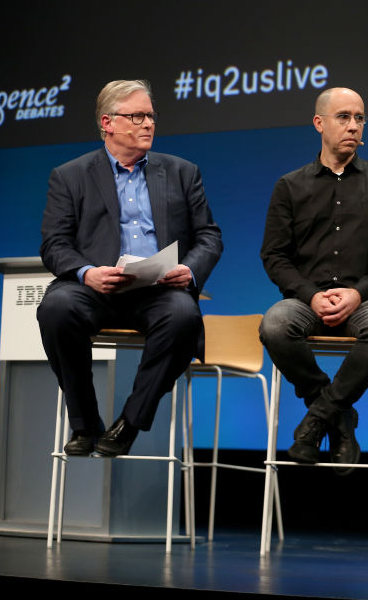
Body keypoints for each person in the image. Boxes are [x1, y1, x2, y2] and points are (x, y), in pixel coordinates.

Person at [37, 79, 223, 457]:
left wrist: (188, 270)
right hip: (96, 288)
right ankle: (85, 423)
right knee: (56, 308)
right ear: (107, 123)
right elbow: (54, 244)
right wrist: (87, 272)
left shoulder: (182, 172)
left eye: (151, 116)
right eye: (137, 116)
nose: (148, 124)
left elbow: (209, 237)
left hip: (158, 290)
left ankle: (130, 422)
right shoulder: (71, 175)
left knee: (183, 315)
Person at [259, 87, 368, 473]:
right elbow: (274, 256)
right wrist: (310, 296)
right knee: (275, 324)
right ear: (319, 123)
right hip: (307, 300)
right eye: (343, 117)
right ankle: (340, 419)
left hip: (366, 300)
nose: (353, 126)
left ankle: (317, 418)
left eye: (359, 118)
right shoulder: (290, 186)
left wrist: (359, 294)